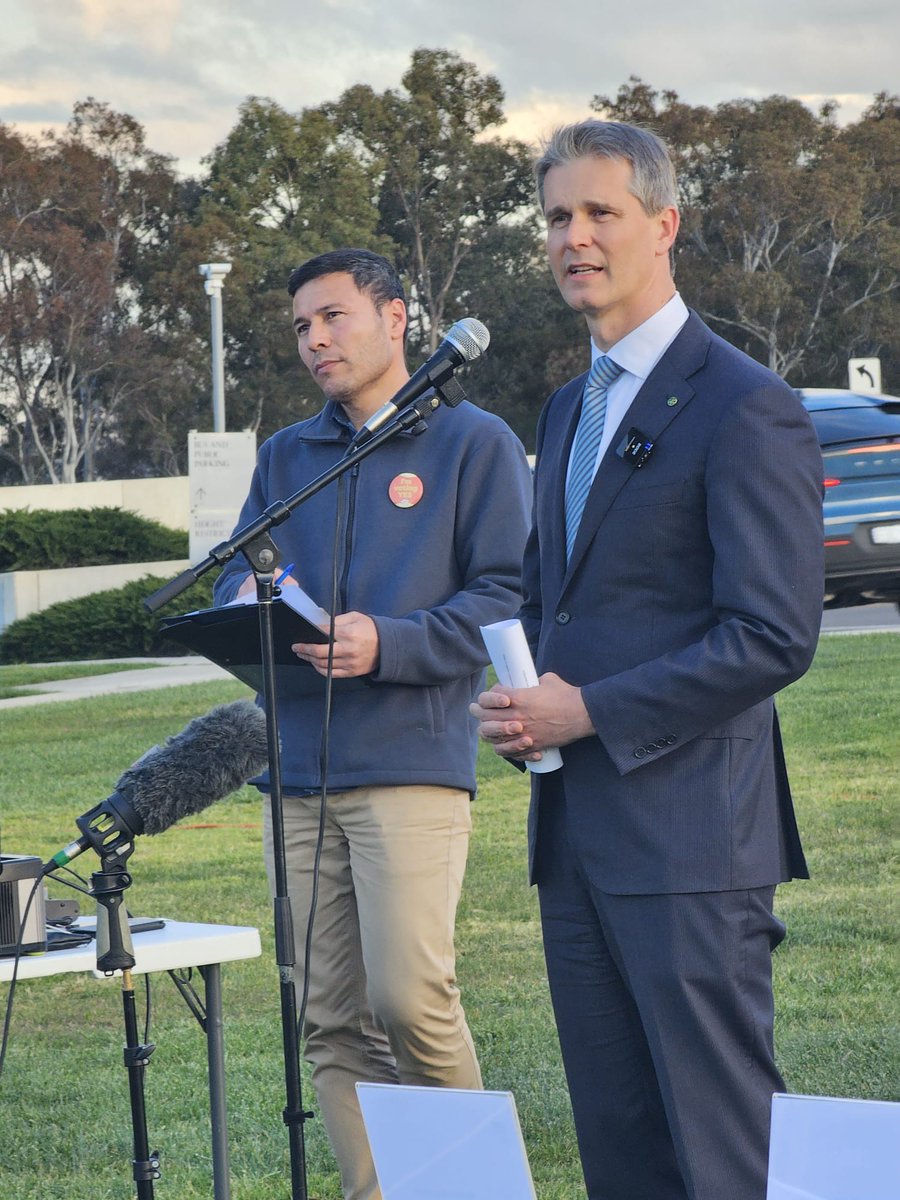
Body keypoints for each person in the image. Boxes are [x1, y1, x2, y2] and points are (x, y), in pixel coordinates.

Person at [471, 121, 824, 1200]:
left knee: (723, 1155)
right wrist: (523, 698)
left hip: (690, 846)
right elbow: (551, 598)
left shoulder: (744, 404)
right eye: (556, 218)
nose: (573, 237)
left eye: (599, 213)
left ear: (663, 225)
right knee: (619, 1153)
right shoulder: (566, 406)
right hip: (576, 842)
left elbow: (772, 634)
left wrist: (588, 712)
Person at [213, 248, 531, 1200]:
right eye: (302, 326)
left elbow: (511, 595)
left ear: (396, 319)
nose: (315, 339)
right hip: (298, 772)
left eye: (334, 316)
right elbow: (237, 570)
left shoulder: (473, 443)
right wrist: (255, 601)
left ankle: (468, 1191)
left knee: (409, 1000)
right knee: (328, 1018)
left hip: (408, 764)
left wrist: (385, 643)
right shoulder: (287, 456)